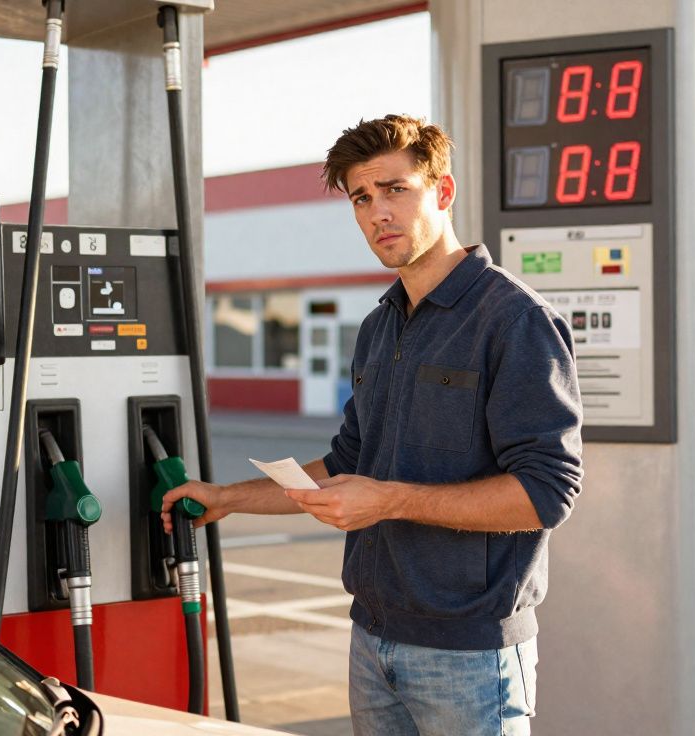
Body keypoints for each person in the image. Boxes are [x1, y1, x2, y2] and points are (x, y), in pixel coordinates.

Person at [162, 114, 584, 735]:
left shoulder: (514, 321)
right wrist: (227, 499)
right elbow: (344, 465)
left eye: (395, 190)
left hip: (469, 657)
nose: (377, 212)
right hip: (372, 638)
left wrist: (387, 500)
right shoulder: (379, 327)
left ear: (442, 192)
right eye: (362, 197)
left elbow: (548, 494)